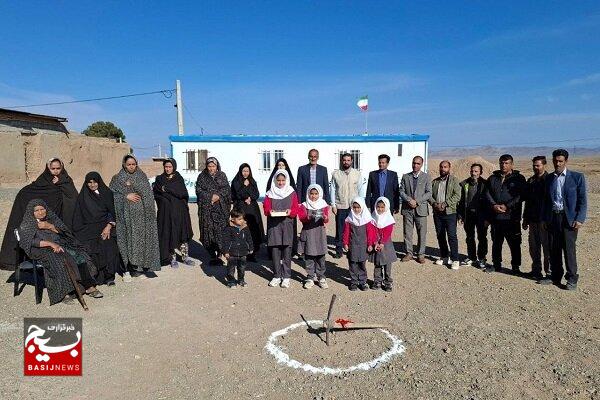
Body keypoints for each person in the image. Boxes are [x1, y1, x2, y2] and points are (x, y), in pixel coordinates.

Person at [18, 199, 103, 305]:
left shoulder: (52, 219)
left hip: (61, 245)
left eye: (42, 209)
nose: (40, 212)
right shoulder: (27, 224)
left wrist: (50, 226)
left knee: (80, 255)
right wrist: (51, 244)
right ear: (32, 212)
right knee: (59, 260)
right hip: (42, 249)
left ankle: (88, 286)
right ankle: (64, 293)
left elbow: (66, 233)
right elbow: (30, 241)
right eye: (37, 210)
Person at [1, 158, 78, 270]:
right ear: (48, 168)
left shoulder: (66, 180)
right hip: (40, 225)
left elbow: (73, 197)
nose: (56, 171)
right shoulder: (43, 180)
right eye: (53, 168)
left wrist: (62, 182)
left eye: (58, 168)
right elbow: (31, 192)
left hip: (58, 222)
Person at [541, 149, 587, 290]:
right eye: (555, 161)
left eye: (560, 161)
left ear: (566, 161)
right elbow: (545, 201)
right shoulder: (549, 178)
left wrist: (579, 218)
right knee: (554, 249)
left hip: (569, 219)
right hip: (553, 218)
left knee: (569, 249)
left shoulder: (577, 177)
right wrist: (544, 219)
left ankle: (572, 279)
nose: (557, 163)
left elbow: (582, 201)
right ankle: (555, 276)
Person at [110, 154, 161, 280]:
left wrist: (149, 214)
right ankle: (128, 269)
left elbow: (148, 195)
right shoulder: (118, 178)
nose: (131, 167)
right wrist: (125, 196)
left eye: (133, 164)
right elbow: (111, 194)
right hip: (125, 219)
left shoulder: (141, 176)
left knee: (140, 242)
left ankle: (140, 268)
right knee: (127, 242)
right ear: (124, 165)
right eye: (129, 164)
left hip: (141, 218)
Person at [73, 172, 122, 286]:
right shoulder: (83, 196)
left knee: (108, 244)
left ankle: (109, 276)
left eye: (94, 182)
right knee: (90, 246)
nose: (92, 184)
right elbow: (78, 216)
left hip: (105, 226)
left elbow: (112, 212)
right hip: (88, 228)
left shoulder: (107, 193)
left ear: (99, 181)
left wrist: (109, 226)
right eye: (89, 182)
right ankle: (96, 277)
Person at [485, 154, 526, 274]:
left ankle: (515, 266)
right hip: (496, 217)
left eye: (506, 163)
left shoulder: (519, 178)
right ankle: (496, 264)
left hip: (511, 217)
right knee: (496, 242)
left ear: (512, 164)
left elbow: (521, 196)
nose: (503, 165)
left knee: (514, 243)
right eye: (502, 163)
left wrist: (507, 206)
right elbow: (487, 193)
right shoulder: (493, 178)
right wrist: (494, 205)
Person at [153, 158, 194, 268]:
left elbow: (183, 194)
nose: (167, 169)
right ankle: (172, 258)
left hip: (180, 212)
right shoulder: (159, 179)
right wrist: (166, 199)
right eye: (166, 167)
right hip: (167, 213)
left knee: (182, 234)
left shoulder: (178, 179)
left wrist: (167, 189)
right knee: (169, 234)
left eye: (170, 167)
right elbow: (156, 194)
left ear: (174, 167)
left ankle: (185, 257)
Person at [263, 170, 299, 288]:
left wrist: (291, 212)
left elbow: (295, 208)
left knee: (287, 251)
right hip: (274, 225)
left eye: (283, 180)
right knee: (275, 251)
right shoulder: (270, 193)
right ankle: (277, 276)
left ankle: (287, 276)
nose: (281, 182)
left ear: (286, 180)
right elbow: (266, 207)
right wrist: (270, 211)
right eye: (278, 180)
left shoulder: (292, 192)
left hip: (287, 224)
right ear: (275, 180)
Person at [195, 157, 231, 265]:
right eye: (209, 166)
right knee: (208, 232)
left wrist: (218, 196)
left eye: (213, 166)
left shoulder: (222, 175)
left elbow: (226, 189)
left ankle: (220, 254)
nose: (211, 168)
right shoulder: (202, 176)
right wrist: (211, 196)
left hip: (220, 209)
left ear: (217, 166)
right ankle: (212, 255)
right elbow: (199, 190)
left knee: (220, 231)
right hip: (207, 210)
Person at [330, 152, 365, 258]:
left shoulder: (357, 174)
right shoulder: (336, 174)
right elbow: (333, 189)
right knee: (340, 229)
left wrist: (361, 205)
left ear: (352, 161)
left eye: (348, 160)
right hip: (340, 206)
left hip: (354, 207)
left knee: (353, 229)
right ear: (342, 161)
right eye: (344, 160)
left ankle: (351, 249)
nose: (346, 162)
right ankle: (339, 250)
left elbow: (360, 189)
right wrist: (333, 205)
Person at [429, 161, 462, 270]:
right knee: (440, 235)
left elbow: (457, 195)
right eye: (441, 167)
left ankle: (455, 259)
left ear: (449, 168)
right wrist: (434, 203)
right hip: (437, 213)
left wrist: (445, 204)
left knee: (452, 236)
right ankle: (444, 256)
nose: (443, 169)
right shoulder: (435, 182)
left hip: (450, 213)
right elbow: (430, 195)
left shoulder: (454, 181)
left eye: (445, 167)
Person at [399, 156, 432, 263]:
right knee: (407, 233)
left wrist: (417, 201)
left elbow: (429, 193)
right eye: (414, 163)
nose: (415, 165)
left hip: (420, 209)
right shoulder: (406, 176)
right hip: (407, 209)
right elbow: (401, 191)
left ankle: (421, 254)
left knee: (422, 233)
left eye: (418, 163)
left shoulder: (426, 177)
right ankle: (409, 253)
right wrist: (409, 200)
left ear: (421, 164)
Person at [522, 156, 550, 280]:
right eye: (534, 165)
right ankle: (536, 271)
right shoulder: (531, 181)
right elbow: (528, 202)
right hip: (533, 220)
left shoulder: (549, 180)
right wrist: (525, 219)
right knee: (534, 248)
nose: (535, 168)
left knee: (547, 248)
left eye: (538, 165)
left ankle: (549, 273)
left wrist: (549, 220)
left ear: (544, 165)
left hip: (544, 221)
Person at [297, 184, 330, 289]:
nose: (313, 196)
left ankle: (321, 277)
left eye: (316, 194)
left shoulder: (323, 204)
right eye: (311, 193)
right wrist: (308, 216)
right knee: (309, 256)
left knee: (321, 256)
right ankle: (310, 277)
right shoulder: (304, 205)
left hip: (319, 233)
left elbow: (326, 219)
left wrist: (325, 218)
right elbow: (301, 218)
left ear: (319, 194)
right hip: (308, 233)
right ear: (308, 194)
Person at [457, 163, 489, 269]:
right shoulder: (464, 184)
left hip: (481, 216)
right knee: (470, 237)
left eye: (476, 171)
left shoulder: (485, 184)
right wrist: (460, 216)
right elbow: (461, 202)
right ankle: (471, 257)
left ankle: (482, 258)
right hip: (468, 215)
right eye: (472, 171)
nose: (473, 173)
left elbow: (489, 202)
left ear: (480, 172)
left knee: (482, 237)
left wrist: (488, 218)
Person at [231, 163, 264, 261]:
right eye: (244, 171)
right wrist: (245, 188)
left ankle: (252, 254)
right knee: (242, 229)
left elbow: (256, 194)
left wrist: (250, 197)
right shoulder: (236, 181)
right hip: (241, 208)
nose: (245, 173)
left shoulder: (252, 181)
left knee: (253, 230)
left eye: (247, 171)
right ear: (240, 171)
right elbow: (237, 193)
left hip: (252, 209)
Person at [343, 197, 377, 291]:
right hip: (352, 245)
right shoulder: (349, 219)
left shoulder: (367, 219)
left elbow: (370, 233)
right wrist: (345, 243)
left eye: (358, 207)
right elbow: (346, 232)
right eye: (354, 207)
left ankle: (362, 282)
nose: (356, 209)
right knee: (353, 263)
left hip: (363, 245)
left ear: (362, 207)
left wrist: (370, 244)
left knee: (362, 264)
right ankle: (353, 282)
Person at [369, 197, 397, 291]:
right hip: (376, 244)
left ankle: (388, 282)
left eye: (382, 207)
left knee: (387, 264)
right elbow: (371, 231)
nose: (380, 209)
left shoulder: (388, 218)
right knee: (377, 264)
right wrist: (375, 242)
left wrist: (382, 242)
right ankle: (377, 281)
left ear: (386, 207)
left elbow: (388, 232)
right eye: (378, 207)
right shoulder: (373, 217)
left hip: (386, 244)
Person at [221, 210, 253, 288]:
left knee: (242, 268)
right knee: (231, 268)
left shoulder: (245, 228)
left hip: (243, 251)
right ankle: (231, 282)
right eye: (239, 219)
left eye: (242, 219)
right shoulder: (228, 228)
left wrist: (251, 247)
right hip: (232, 252)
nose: (242, 221)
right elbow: (225, 241)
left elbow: (249, 238)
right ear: (232, 219)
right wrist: (225, 252)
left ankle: (241, 280)